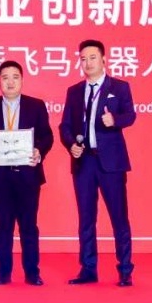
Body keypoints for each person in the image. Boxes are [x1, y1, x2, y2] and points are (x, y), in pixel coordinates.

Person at [58, 39, 136, 287]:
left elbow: (130, 115)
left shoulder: (119, 87)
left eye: (92, 58)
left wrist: (116, 120)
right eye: (83, 59)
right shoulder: (74, 91)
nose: (88, 63)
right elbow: (65, 126)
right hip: (84, 162)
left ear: (103, 59)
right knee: (86, 218)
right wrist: (71, 144)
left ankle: (125, 269)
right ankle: (88, 269)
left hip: (111, 163)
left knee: (119, 217)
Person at [0, 60, 53, 285]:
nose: (10, 82)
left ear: (22, 80)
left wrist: (39, 151)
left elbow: (47, 136)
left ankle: (32, 272)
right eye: (5, 78)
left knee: (29, 225)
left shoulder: (36, 106)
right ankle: (4, 272)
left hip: (28, 174)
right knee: (3, 225)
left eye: (15, 77)